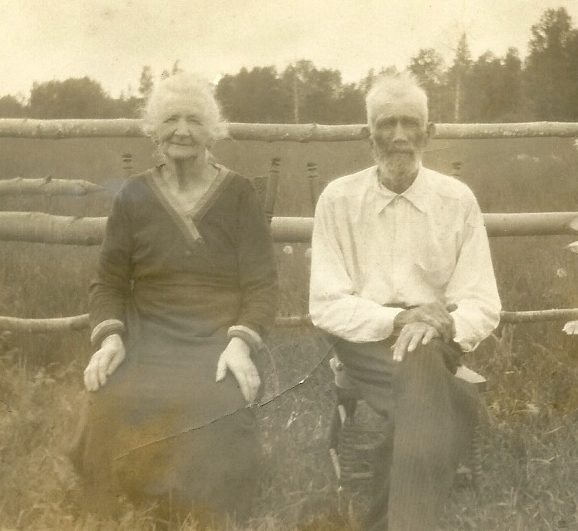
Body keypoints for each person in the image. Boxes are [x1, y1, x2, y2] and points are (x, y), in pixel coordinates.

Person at [71, 72, 278, 525]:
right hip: (149, 341)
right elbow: (108, 282)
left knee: (218, 410)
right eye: (170, 119)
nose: (182, 130)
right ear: (153, 130)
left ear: (211, 131)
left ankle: (198, 512)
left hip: (217, 344)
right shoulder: (133, 196)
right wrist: (111, 340)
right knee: (106, 401)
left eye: (194, 120)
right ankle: (109, 513)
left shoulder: (240, 194)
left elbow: (262, 285)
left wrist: (241, 343)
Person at [309, 73, 501, 531]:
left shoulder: (456, 200)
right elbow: (326, 303)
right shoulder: (338, 199)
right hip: (364, 340)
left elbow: (482, 301)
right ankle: (457, 404)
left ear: (429, 133)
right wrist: (400, 319)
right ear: (366, 134)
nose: (399, 136)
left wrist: (440, 326)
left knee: (421, 370)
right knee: (444, 398)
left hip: (437, 339)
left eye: (411, 123)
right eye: (386, 124)